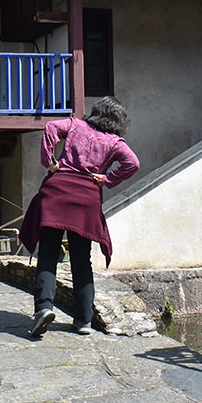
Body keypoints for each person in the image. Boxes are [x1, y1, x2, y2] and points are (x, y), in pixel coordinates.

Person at [19, 97, 140, 337]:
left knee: (49, 253)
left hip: (57, 192)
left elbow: (51, 127)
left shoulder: (75, 125)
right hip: (85, 200)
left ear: (96, 112)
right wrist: (107, 179)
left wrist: (50, 162)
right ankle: (83, 320)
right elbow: (133, 163)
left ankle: (44, 308)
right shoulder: (114, 142)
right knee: (81, 260)